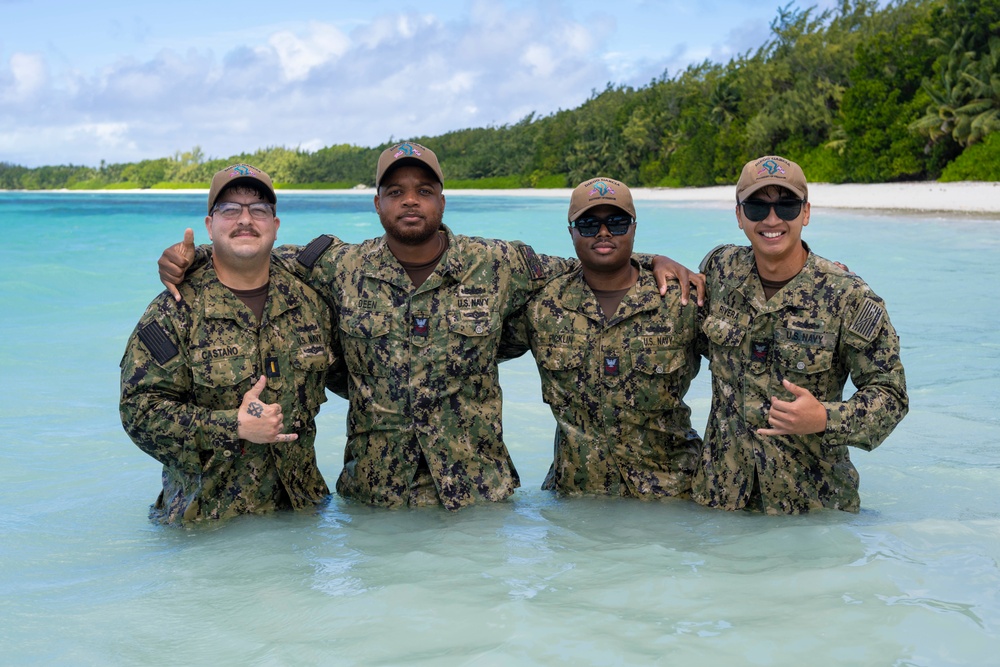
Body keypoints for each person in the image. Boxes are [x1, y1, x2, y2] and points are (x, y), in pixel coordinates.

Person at [157, 142, 704, 511]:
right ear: (377, 203)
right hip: (375, 494)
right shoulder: (339, 265)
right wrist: (193, 258)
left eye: (423, 189)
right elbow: (256, 253)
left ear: (443, 198)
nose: (410, 201)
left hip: (478, 493)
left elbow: (590, 261)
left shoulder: (500, 263)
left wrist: (654, 258)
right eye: (396, 192)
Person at [120, 164, 341, 524]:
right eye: (229, 209)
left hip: (302, 519)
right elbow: (139, 413)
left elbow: (351, 374)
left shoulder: (309, 302)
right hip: (208, 528)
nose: (245, 219)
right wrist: (231, 426)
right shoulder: (174, 311)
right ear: (209, 225)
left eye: (258, 209)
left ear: (275, 224)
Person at [694, 155, 908, 514]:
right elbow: (627, 272)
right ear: (739, 216)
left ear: (806, 213)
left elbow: (891, 396)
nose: (772, 219)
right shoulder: (721, 269)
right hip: (720, 502)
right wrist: (654, 261)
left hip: (811, 509)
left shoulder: (849, 297)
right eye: (758, 207)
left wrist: (825, 419)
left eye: (787, 205)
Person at [500, 177, 702, 498]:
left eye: (617, 223)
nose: (604, 233)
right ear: (571, 231)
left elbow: (741, 364)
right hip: (576, 498)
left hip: (672, 496)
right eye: (589, 224)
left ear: (634, 228)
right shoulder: (543, 306)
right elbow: (476, 350)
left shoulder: (679, 300)